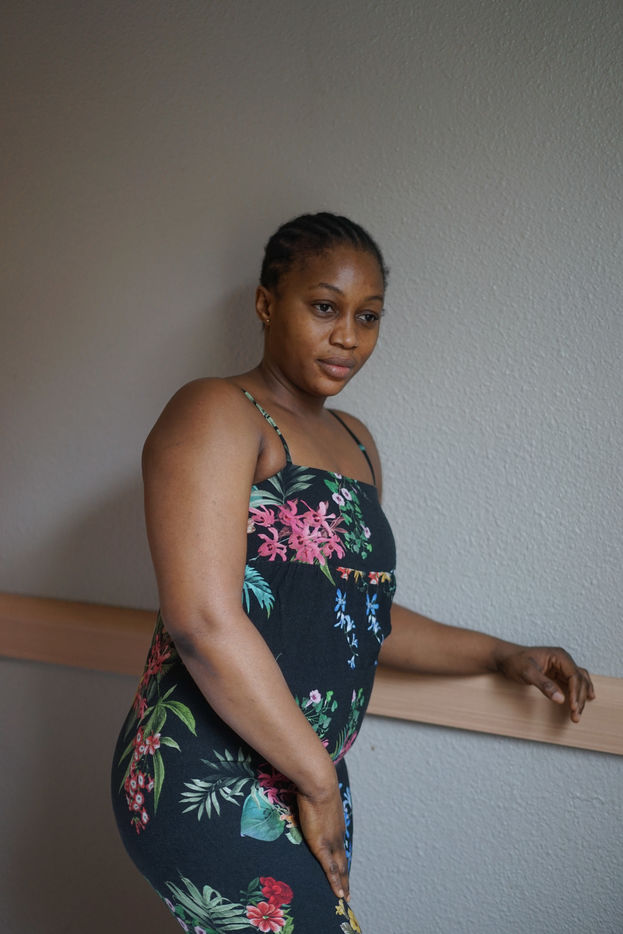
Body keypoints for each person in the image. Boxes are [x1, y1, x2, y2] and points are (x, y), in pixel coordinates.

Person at [111, 212, 595, 934]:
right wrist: (317, 783)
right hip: (205, 768)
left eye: (367, 317)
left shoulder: (357, 443)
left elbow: (361, 617)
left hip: (308, 771)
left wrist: (501, 654)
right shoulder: (215, 411)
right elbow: (201, 622)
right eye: (324, 307)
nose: (347, 336)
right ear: (266, 303)